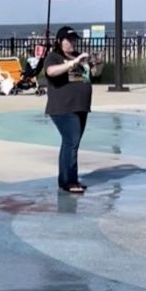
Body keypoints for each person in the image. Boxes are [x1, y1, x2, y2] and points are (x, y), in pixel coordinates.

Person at [43, 26, 102, 193]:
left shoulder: (78, 57)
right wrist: (73, 63)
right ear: (59, 41)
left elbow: (91, 75)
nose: (72, 43)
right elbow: (51, 72)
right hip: (63, 107)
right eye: (68, 40)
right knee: (72, 141)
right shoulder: (54, 57)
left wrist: (97, 65)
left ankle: (66, 179)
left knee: (70, 143)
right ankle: (70, 182)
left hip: (81, 106)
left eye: (74, 39)